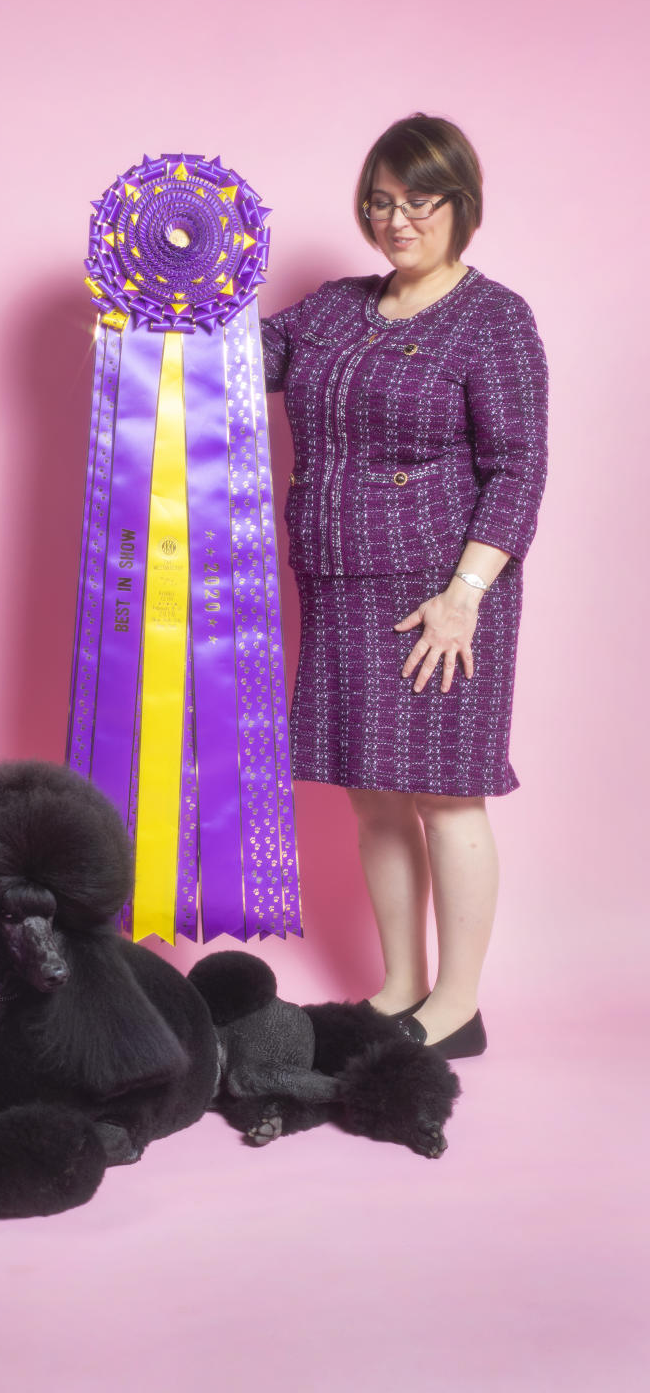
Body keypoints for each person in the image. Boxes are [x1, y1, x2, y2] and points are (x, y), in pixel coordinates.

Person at [260, 113, 548, 1058]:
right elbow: (235, 362)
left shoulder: (495, 318)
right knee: (373, 793)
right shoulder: (335, 309)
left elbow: (517, 469)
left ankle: (457, 1006)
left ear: (461, 206)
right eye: (379, 201)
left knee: (446, 794)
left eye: (418, 201)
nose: (395, 220)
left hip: (441, 597)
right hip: (340, 585)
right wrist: (155, 316)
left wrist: (466, 593)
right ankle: (400, 987)